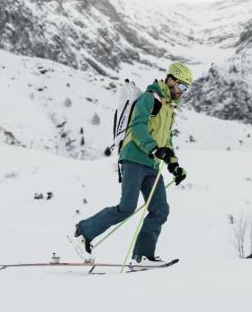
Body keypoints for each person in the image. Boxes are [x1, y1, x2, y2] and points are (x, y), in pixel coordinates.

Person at [74, 62, 192, 262]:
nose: (182, 92)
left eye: (186, 89)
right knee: (127, 208)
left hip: (153, 165)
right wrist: (153, 148)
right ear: (171, 80)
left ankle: (143, 256)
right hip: (135, 158)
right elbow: (138, 127)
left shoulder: (168, 109)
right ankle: (84, 231)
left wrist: (174, 164)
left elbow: (167, 140)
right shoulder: (149, 98)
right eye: (181, 86)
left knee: (160, 210)